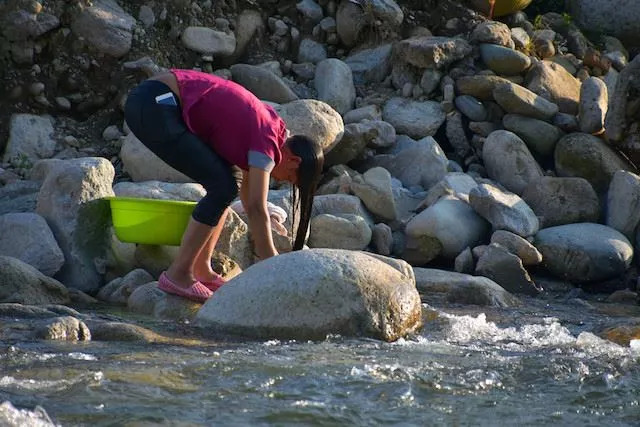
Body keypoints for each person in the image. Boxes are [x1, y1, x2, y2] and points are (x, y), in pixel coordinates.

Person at [124, 69, 324, 303]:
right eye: (290, 178)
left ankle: (202, 270)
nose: (280, 180)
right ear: (294, 161)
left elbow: (249, 203)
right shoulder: (267, 141)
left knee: (227, 184)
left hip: (154, 99)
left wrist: (266, 254)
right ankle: (178, 274)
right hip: (155, 102)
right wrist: (272, 263)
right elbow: (258, 208)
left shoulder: (270, 129)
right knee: (222, 187)